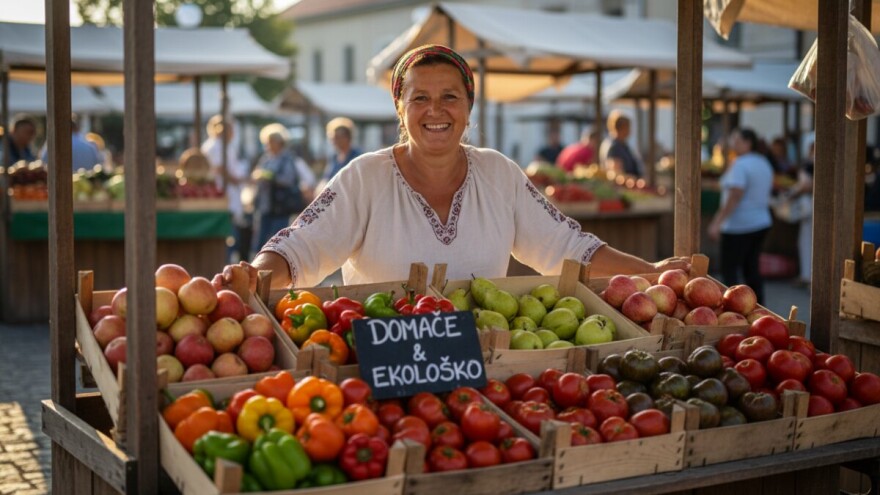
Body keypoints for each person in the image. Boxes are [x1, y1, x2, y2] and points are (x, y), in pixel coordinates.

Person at [218, 44, 688, 290]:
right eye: (419, 98)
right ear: (400, 108)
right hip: (387, 371)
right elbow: (301, 248)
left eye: (450, 97)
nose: (435, 110)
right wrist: (255, 275)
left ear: (468, 106)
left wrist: (652, 273)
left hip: (485, 367)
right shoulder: (365, 177)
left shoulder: (499, 174)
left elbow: (568, 247)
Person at [708, 128, 774, 304]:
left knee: (730, 271)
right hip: (761, 221)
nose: (732, 144)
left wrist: (717, 222)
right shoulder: (762, 162)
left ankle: (732, 307)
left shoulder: (740, 164)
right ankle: (759, 308)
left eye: (736, 140)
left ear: (748, 143)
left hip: (739, 225)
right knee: (751, 269)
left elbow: (735, 194)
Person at [251, 123, 316, 257]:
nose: (268, 145)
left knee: (278, 241)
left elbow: (288, 179)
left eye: (271, 142)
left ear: (279, 142)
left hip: (281, 207)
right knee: (260, 241)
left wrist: (270, 177)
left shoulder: (288, 159)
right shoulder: (266, 159)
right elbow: (256, 174)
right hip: (265, 206)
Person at [201, 115, 251, 262]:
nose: (233, 133)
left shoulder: (225, 146)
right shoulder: (215, 146)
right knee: (229, 236)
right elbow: (220, 168)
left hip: (229, 195)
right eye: (230, 129)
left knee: (233, 235)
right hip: (222, 196)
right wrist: (235, 180)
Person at [789, 141, 815, 287]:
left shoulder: (807, 164)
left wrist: (791, 194)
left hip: (809, 207)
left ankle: (807, 276)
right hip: (823, 207)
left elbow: (805, 185)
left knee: (806, 242)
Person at [599, 111, 644, 178]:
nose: (630, 131)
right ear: (621, 128)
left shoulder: (621, 144)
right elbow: (616, 173)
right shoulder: (614, 146)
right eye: (628, 127)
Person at [321, 117, 362, 185]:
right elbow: (326, 178)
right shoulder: (334, 157)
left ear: (346, 137)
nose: (333, 141)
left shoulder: (357, 157)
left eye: (336, 137)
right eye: (332, 138)